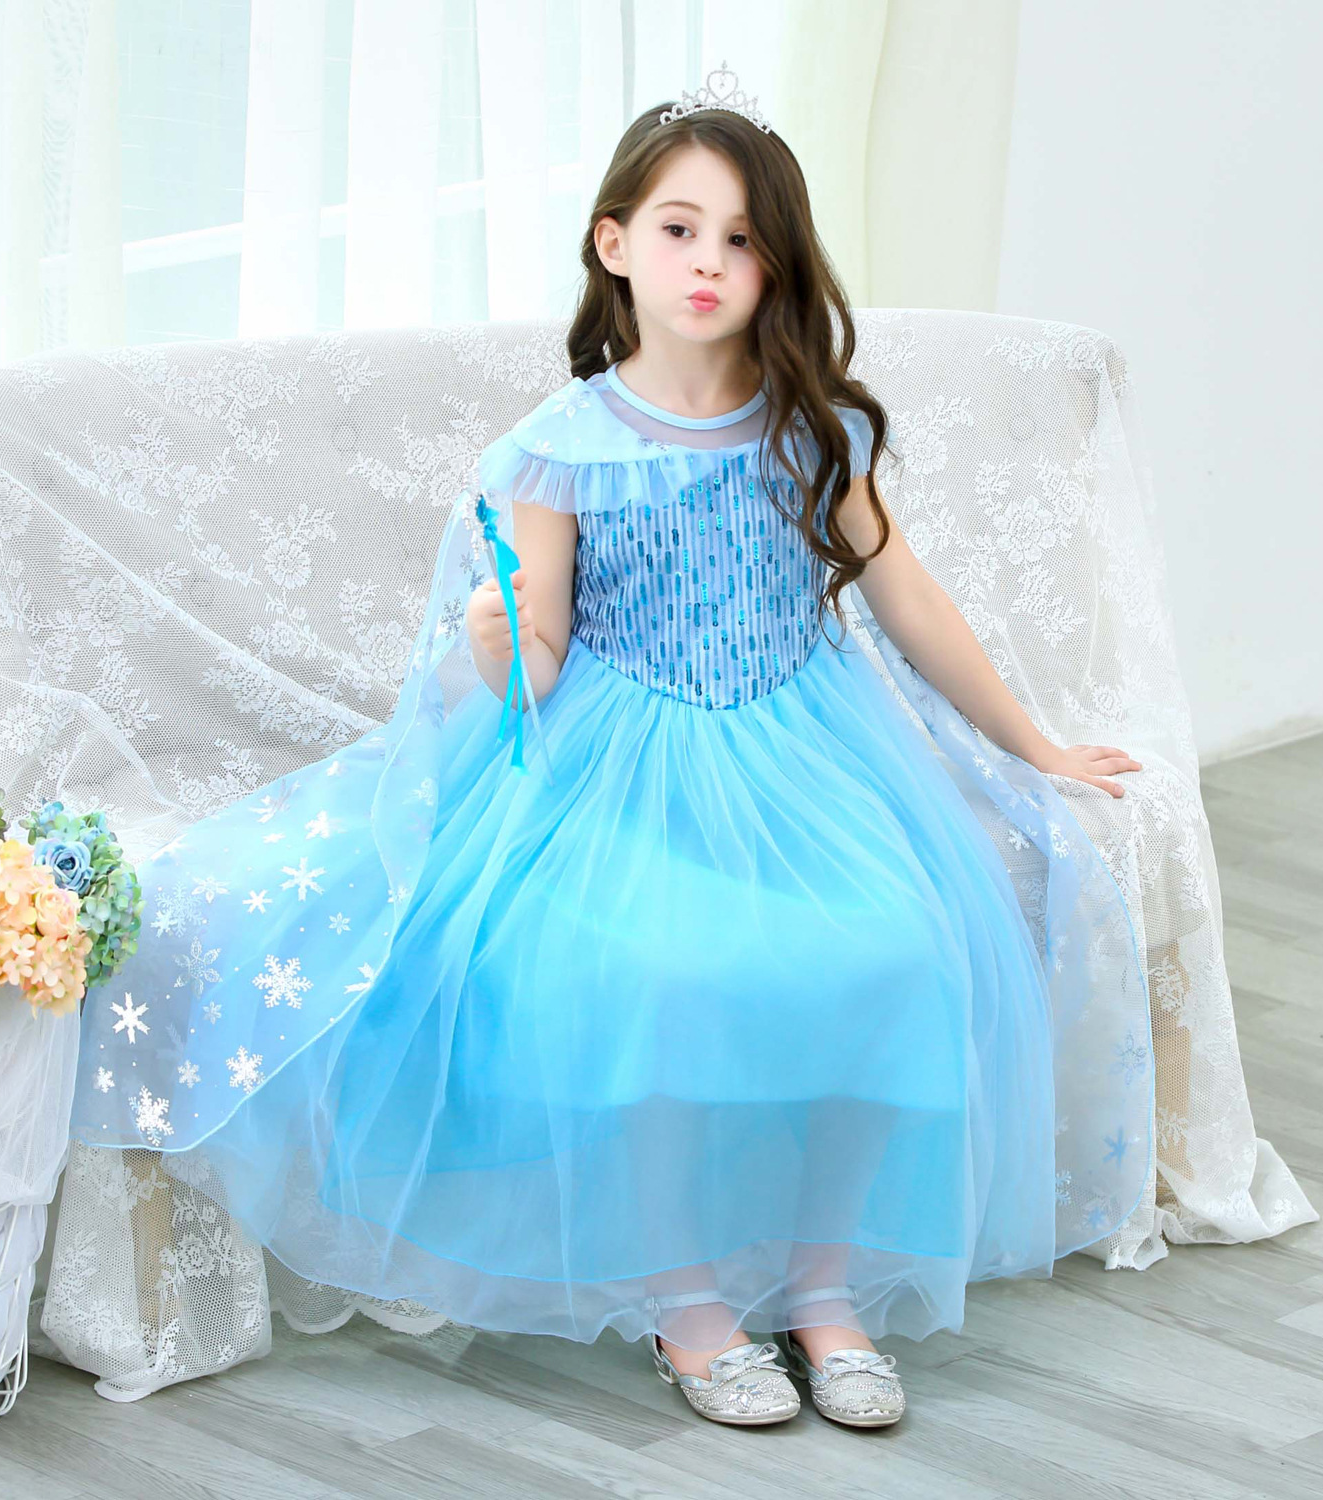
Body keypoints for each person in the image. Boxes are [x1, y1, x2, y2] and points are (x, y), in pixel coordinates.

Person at [66, 66, 1154, 1432]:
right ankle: (685, 1301)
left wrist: (1035, 742)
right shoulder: (560, 449)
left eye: (743, 239)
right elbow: (537, 656)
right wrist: (494, 635)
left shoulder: (814, 427)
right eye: (680, 229)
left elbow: (906, 595)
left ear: (777, 266)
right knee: (645, 976)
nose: (709, 262)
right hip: (624, 760)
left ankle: (824, 1286)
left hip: (806, 749)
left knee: (895, 954)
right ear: (615, 243)